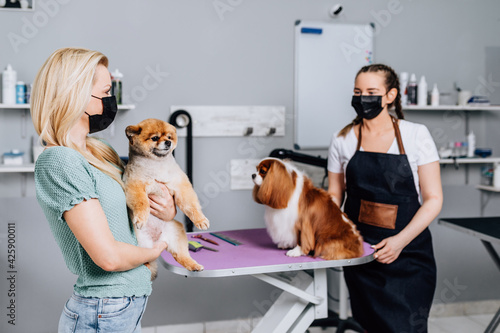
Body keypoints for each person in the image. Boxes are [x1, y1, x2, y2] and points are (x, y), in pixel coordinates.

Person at [31, 47, 177, 333]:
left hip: (125, 306)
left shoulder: (101, 152)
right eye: (107, 91)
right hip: (102, 311)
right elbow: (108, 257)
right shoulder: (59, 160)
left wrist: (168, 208)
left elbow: (145, 204)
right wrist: (158, 248)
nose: (112, 101)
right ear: (77, 94)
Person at [328, 64, 443, 332]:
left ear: (390, 95)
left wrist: (400, 242)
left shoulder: (416, 135)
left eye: (371, 91)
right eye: (358, 91)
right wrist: (328, 229)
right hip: (361, 252)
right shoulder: (342, 139)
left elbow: (434, 199)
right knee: (369, 324)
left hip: (408, 255)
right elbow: (335, 193)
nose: (362, 98)